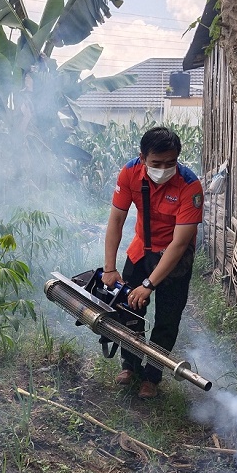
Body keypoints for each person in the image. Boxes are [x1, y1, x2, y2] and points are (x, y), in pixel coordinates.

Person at [101, 126, 204, 399]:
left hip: (175, 259)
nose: (163, 169)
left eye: (170, 163)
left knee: (167, 320)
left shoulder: (189, 185)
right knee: (128, 311)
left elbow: (180, 243)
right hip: (140, 251)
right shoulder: (130, 173)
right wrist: (110, 268)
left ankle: (153, 375)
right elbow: (116, 220)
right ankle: (130, 366)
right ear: (142, 157)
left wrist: (148, 284)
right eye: (156, 163)